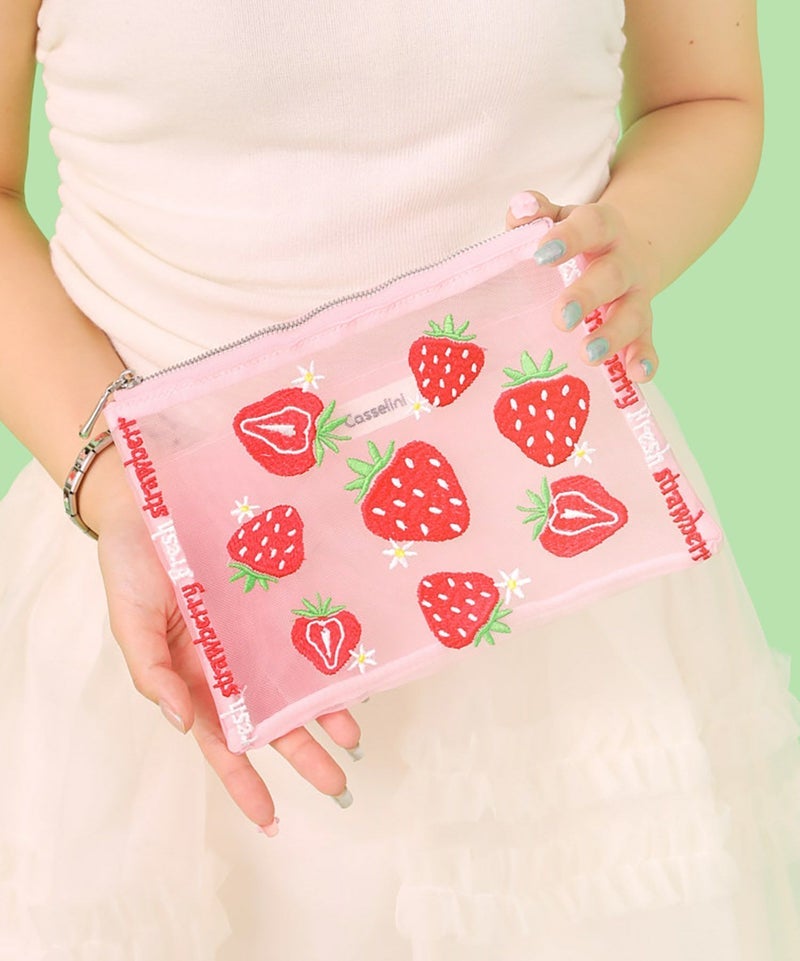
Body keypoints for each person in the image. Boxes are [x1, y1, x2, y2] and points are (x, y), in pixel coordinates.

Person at [2, 0, 799, 957]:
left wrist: (629, 237)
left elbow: (706, 97)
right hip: (168, 589)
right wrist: (119, 488)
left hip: (565, 561)